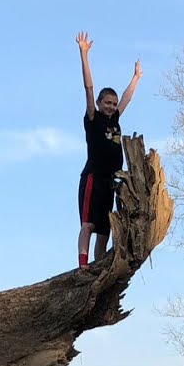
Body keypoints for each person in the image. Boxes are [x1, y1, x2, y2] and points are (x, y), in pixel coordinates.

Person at [75, 31, 141, 269]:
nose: (112, 107)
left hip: (110, 182)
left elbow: (126, 99)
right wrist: (84, 54)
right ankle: (83, 266)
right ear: (99, 104)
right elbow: (89, 87)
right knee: (89, 225)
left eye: (113, 104)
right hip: (93, 177)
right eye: (107, 103)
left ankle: (99, 267)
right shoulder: (93, 118)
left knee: (104, 230)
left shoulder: (115, 120)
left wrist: (136, 78)